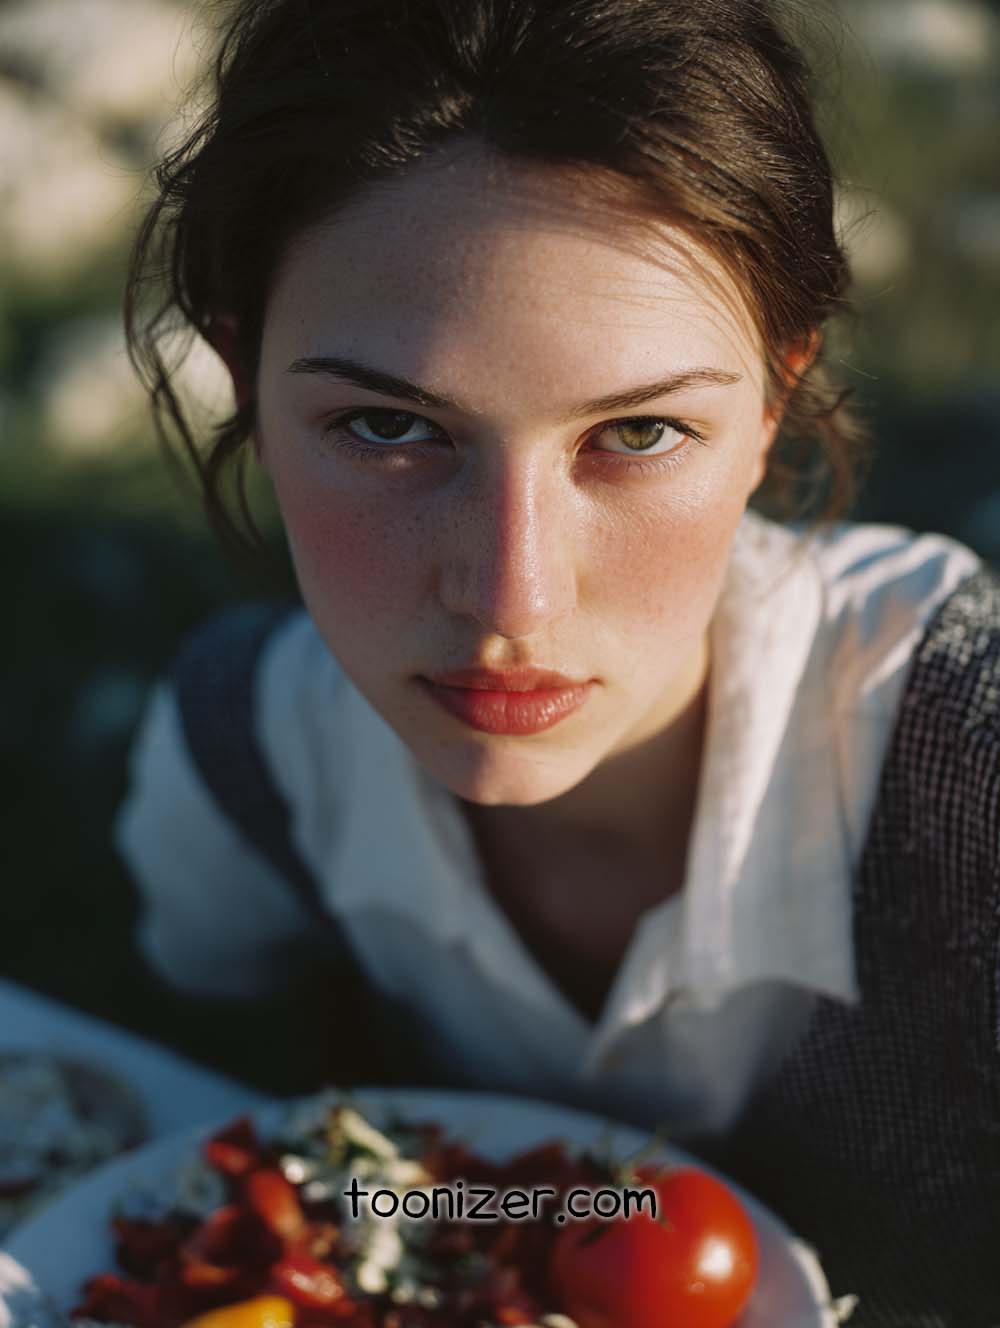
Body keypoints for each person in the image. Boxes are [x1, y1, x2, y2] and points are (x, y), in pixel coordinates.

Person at [116, 0, 1000, 1320]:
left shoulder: (971, 772)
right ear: (243, 378)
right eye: (384, 424)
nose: (511, 594)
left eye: (637, 433)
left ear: (772, 401)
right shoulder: (246, 764)